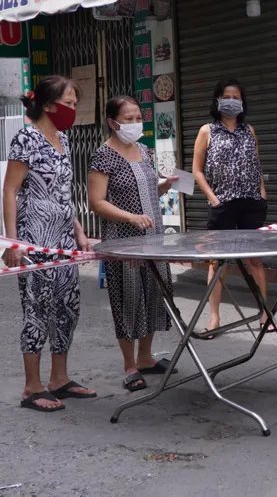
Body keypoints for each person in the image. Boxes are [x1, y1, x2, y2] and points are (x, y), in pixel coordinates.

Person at [2, 76, 95, 412]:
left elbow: (63, 194)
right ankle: (32, 387)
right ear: (47, 104)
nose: (72, 110)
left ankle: (59, 379)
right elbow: (10, 190)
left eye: (74, 104)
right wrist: (13, 242)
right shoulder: (26, 138)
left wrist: (79, 230)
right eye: (68, 103)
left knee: (67, 308)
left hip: (63, 238)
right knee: (37, 310)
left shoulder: (64, 139)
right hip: (35, 237)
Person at [89, 96, 179, 392]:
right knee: (129, 299)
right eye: (128, 119)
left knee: (154, 295)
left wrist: (166, 184)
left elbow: (147, 188)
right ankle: (129, 366)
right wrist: (130, 217)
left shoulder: (143, 150)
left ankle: (145, 358)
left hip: (153, 240)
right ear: (112, 123)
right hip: (123, 243)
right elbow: (96, 202)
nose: (135, 123)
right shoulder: (103, 155)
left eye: (137, 116)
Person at [191, 79, 269, 337]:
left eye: (237, 96)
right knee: (217, 261)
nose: (232, 100)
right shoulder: (207, 131)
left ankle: (265, 313)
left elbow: (256, 164)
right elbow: (197, 170)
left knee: (255, 260)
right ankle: (214, 318)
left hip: (250, 203)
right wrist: (213, 199)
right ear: (218, 100)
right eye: (227, 96)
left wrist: (262, 194)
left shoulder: (250, 130)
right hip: (222, 203)